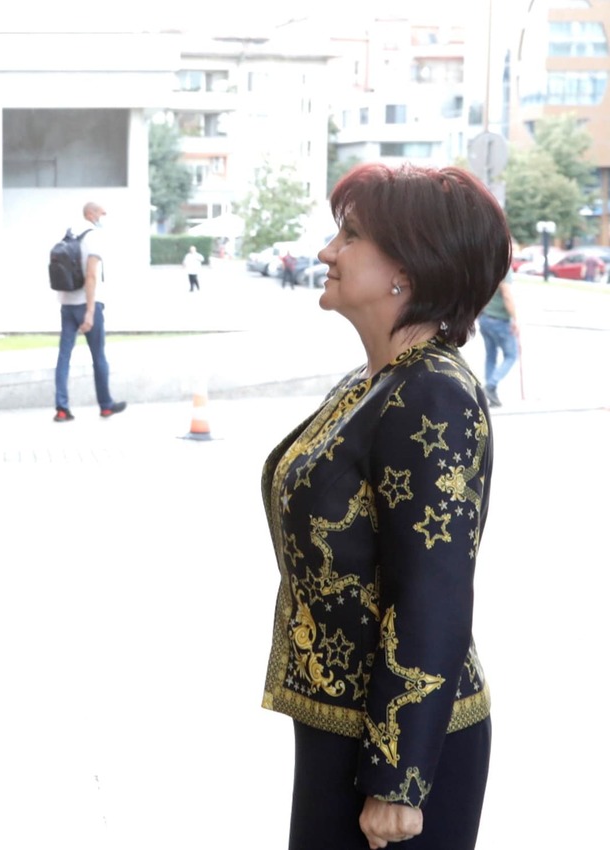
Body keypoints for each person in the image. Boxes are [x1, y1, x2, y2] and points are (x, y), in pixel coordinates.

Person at [259, 163, 509, 850]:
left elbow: (434, 587)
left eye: (351, 234)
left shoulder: (432, 393)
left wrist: (399, 777)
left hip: (399, 742)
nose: (326, 251)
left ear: (410, 267)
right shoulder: (373, 382)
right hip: (343, 724)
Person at [53, 201, 127, 422]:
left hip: (66, 304)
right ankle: (105, 405)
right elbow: (91, 275)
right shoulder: (94, 236)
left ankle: (61, 408)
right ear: (91, 214)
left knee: (64, 357)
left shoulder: (68, 234)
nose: (103, 216)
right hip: (87, 304)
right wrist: (90, 311)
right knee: (99, 357)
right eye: (102, 213)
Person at [477, 272, 519, 407]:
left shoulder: (489, 263)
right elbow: (506, 295)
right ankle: (491, 385)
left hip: (485, 317)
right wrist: (515, 319)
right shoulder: (504, 269)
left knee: (491, 355)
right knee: (511, 355)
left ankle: (490, 394)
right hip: (499, 320)